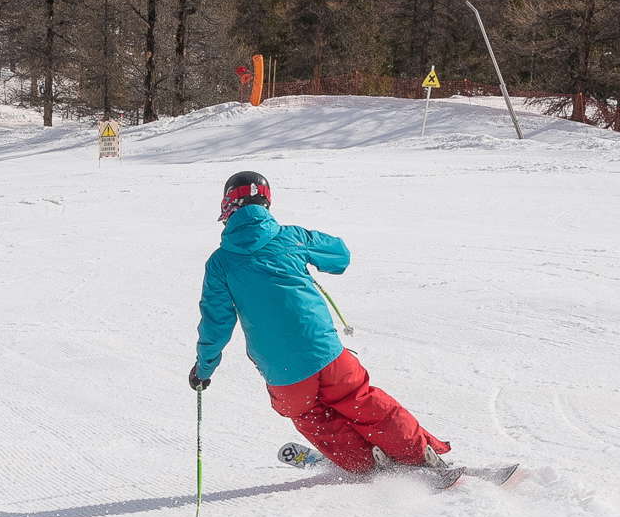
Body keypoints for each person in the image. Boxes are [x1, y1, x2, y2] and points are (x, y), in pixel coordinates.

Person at [189, 170, 455, 477]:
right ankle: (420, 454)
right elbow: (340, 257)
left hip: (284, 373)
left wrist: (203, 369)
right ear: (266, 203)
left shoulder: (220, 263)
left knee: (310, 414)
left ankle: (364, 462)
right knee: (360, 400)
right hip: (327, 355)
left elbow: (216, 323)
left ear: (227, 207)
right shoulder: (291, 237)